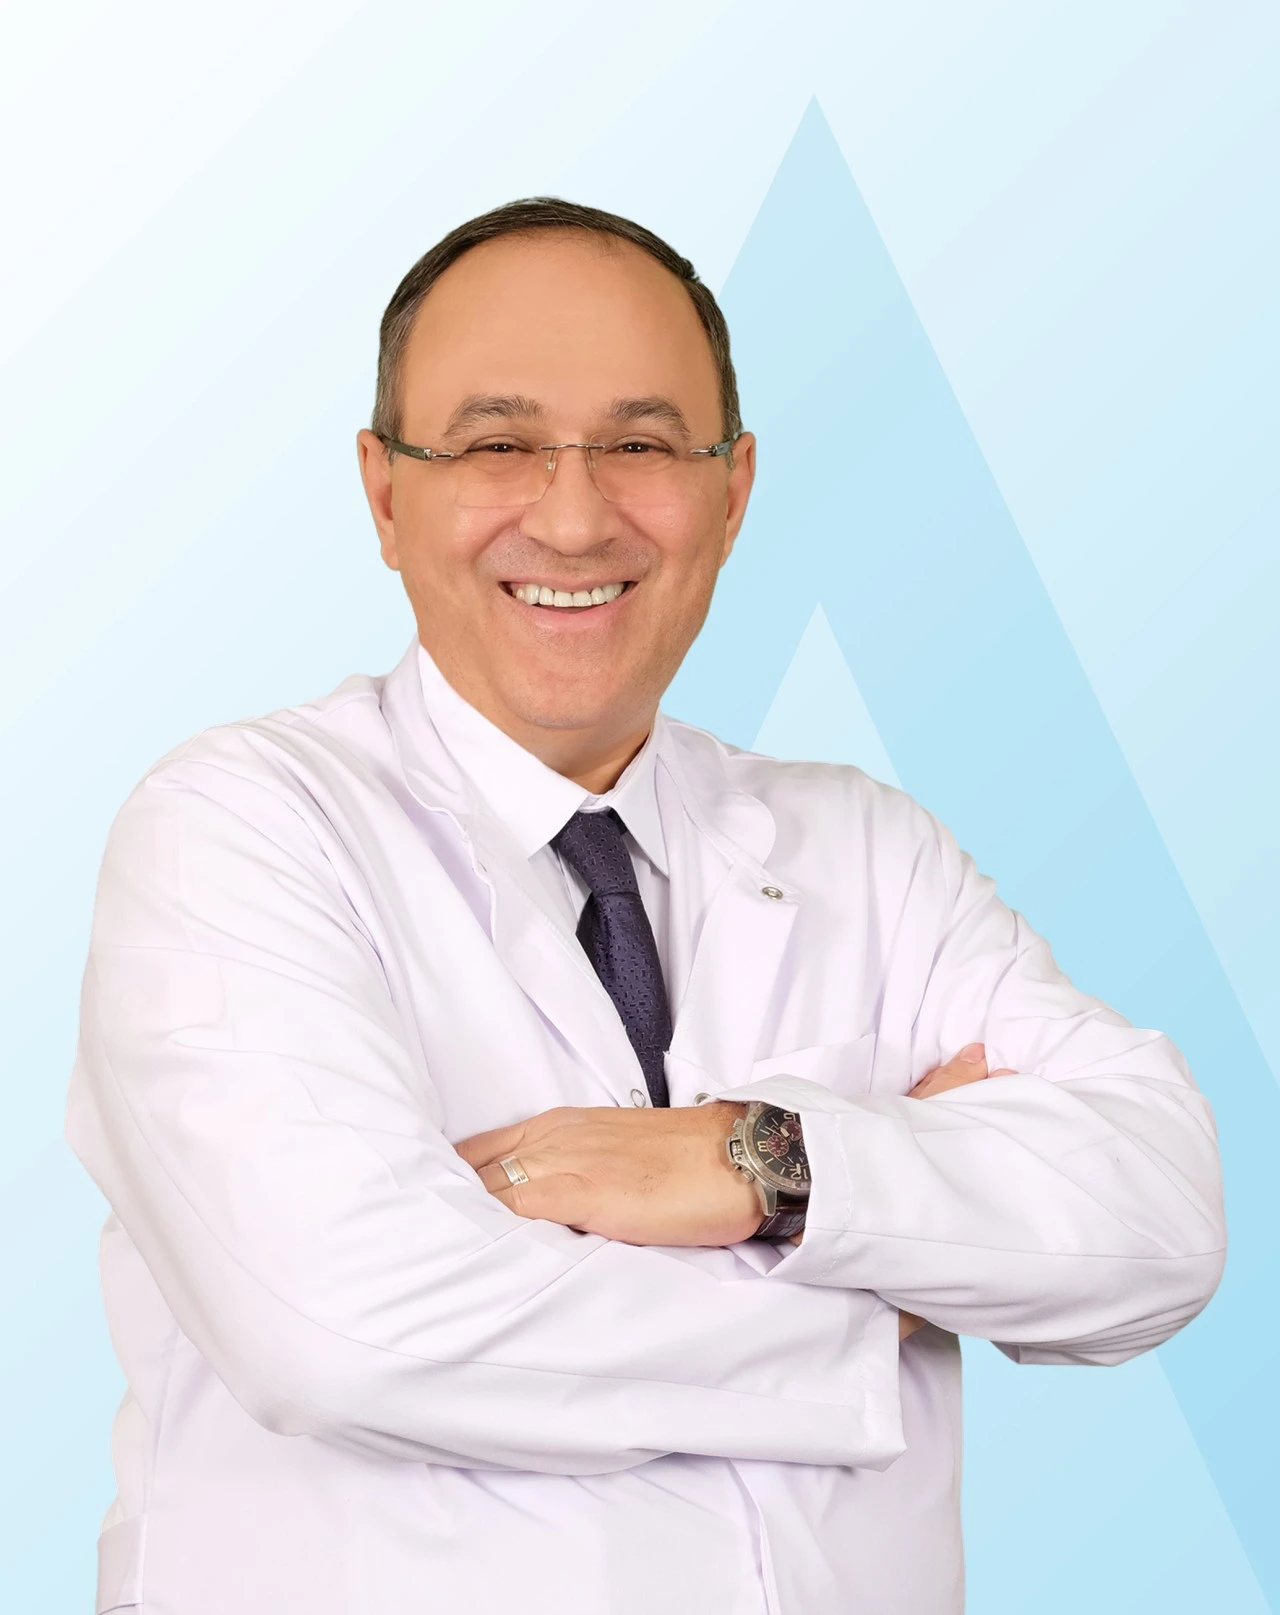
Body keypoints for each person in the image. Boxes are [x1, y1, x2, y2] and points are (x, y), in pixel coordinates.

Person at [65, 196, 1226, 1615]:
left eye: (641, 443)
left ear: (732, 493)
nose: (572, 515)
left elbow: (1161, 1217)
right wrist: (885, 1280)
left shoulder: (868, 847)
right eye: (497, 444)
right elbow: (349, 1329)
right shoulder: (241, 828)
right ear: (384, 495)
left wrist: (757, 1167)